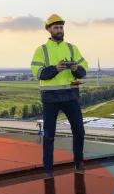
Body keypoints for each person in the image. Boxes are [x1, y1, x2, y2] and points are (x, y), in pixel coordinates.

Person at [30, 14, 89, 177]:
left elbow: (83, 71)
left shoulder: (72, 48)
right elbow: (39, 73)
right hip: (50, 98)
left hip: (71, 96)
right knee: (49, 135)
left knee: (79, 131)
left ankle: (78, 163)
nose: (59, 30)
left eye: (61, 27)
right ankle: (48, 169)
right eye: (55, 27)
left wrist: (75, 68)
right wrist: (56, 68)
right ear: (48, 29)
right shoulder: (41, 50)